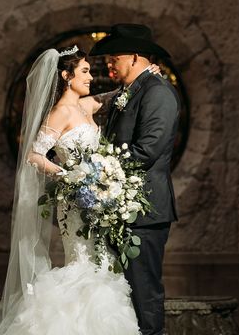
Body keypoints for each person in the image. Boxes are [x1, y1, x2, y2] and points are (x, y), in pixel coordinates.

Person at [0, 45, 160, 335]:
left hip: (99, 200)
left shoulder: (86, 105)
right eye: (85, 71)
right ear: (67, 76)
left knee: (101, 265)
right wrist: (70, 176)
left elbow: (119, 95)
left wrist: (145, 76)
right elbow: (34, 156)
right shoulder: (60, 113)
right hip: (75, 202)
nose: (91, 77)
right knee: (83, 263)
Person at [90, 24, 180, 335]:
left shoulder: (158, 93)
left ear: (135, 56)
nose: (108, 63)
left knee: (143, 291)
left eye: (114, 56)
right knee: (119, 294)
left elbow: (148, 149)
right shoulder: (130, 91)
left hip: (144, 211)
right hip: (119, 207)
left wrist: (98, 172)